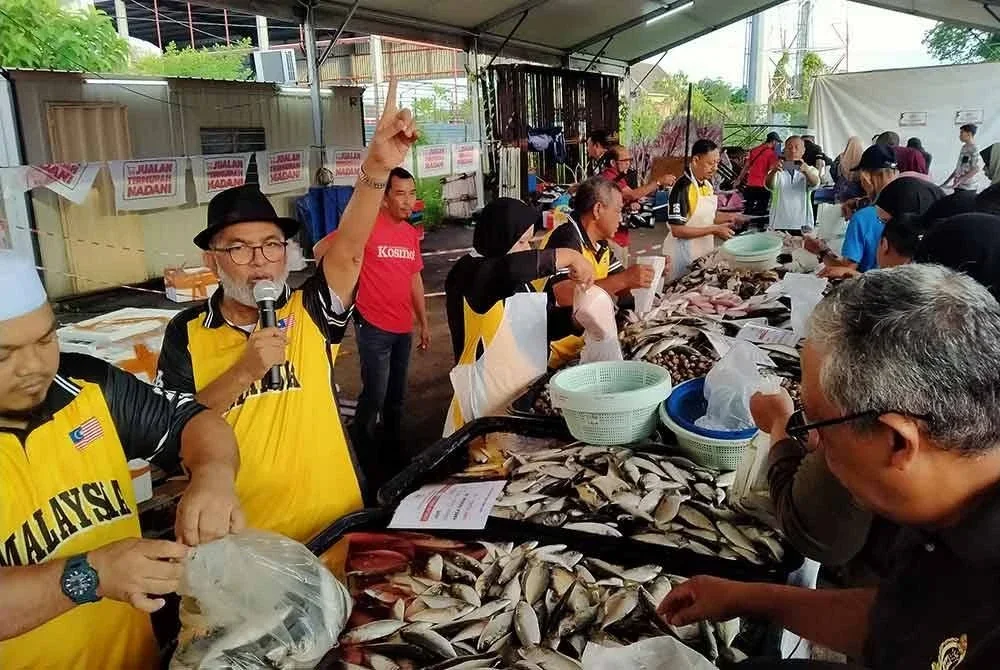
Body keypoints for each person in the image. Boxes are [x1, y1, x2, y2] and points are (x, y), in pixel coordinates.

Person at [660, 264, 1000, 669]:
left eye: (816, 422)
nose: (813, 442)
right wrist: (747, 597)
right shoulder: (945, 508)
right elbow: (910, 619)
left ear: (897, 441)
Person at [156, 80, 418, 544]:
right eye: (239, 249)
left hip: (333, 524)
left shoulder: (310, 309)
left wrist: (376, 168)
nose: (260, 260)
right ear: (211, 261)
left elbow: (350, 252)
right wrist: (245, 371)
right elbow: (166, 436)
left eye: (272, 245)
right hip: (244, 545)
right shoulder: (186, 333)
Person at [0, 256, 242, 669]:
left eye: (45, 341)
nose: (34, 367)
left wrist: (214, 476)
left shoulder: (88, 386)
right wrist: (91, 575)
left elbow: (193, 423)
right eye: (3, 355)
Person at [443, 198, 594, 434]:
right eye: (522, 241)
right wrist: (569, 256)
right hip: (483, 409)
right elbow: (509, 269)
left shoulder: (520, 284)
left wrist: (574, 320)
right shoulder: (470, 273)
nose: (527, 249)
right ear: (501, 236)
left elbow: (537, 327)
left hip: (520, 400)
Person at [345, 166, 427, 488]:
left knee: (396, 395)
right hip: (373, 326)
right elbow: (323, 250)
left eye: (412, 193)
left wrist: (423, 321)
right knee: (375, 394)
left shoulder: (410, 234)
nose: (408, 201)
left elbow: (414, 278)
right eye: (400, 194)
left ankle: (393, 451)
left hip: (402, 326)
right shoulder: (365, 228)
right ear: (384, 198)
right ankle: (363, 451)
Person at [534, 177, 656, 368]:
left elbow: (622, 282)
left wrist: (648, 277)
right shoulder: (565, 238)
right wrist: (624, 280)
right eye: (618, 211)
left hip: (584, 344)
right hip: (553, 353)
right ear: (598, 210)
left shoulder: (600, 244)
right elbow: (564, 294)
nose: (621, 218)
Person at [816, 176, 942, 280]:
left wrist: (822, 252)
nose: (882, 234)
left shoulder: (863, 219)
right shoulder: (935, 277)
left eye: (885, 222)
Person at [805, 144, 899, 275]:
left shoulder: (863, 218)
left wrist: (821, 252)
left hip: (870, 290)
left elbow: (847, 271)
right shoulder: (912, 206)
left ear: (866, 176)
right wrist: (859, 201)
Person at [665, 139, 741, 276]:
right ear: (695, 160)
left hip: (703, 252)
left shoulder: (707, 185)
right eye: (710, 163)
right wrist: (715, 229)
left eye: (717, 163)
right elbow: (677, 230)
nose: (715, 168)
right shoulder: (682, 187)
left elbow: (707, 216)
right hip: (683, 256)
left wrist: (731, 218)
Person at [765, 136, 820, 233]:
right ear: (784, 150)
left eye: (797, 147)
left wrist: (806, 171)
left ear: (803, 151)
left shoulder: (810, 170)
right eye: (789, 148)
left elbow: (815, 183)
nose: (793, 151)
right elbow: (769, 186)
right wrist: (773, 171)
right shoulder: (777, 169)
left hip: (803, 224)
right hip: (778, 223)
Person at [737, 131, 782, 216]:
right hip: (763, 185)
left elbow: (746, 167)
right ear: (774, 141)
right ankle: (759, 228)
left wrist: (739, 179)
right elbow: (772, 169)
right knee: (761, 211)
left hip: (750, 184)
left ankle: (744, 226)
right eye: (777, 143)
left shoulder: (754, 150)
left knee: (748, 210)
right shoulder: (772, 154)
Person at [941, 123, 981, 191]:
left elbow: (976, 169)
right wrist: (946, 182)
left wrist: (960, 180)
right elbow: (960, 167)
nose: (960, 136)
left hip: (968, 188)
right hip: (959, 186)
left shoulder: (975, 149)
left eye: (962, 133)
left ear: (969, 134)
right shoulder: (964, 147)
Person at [831, 136, 864, 203]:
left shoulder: (840, 157)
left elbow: (832, 171)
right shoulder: (864, 158)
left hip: (841, 191)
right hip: (858, 194)